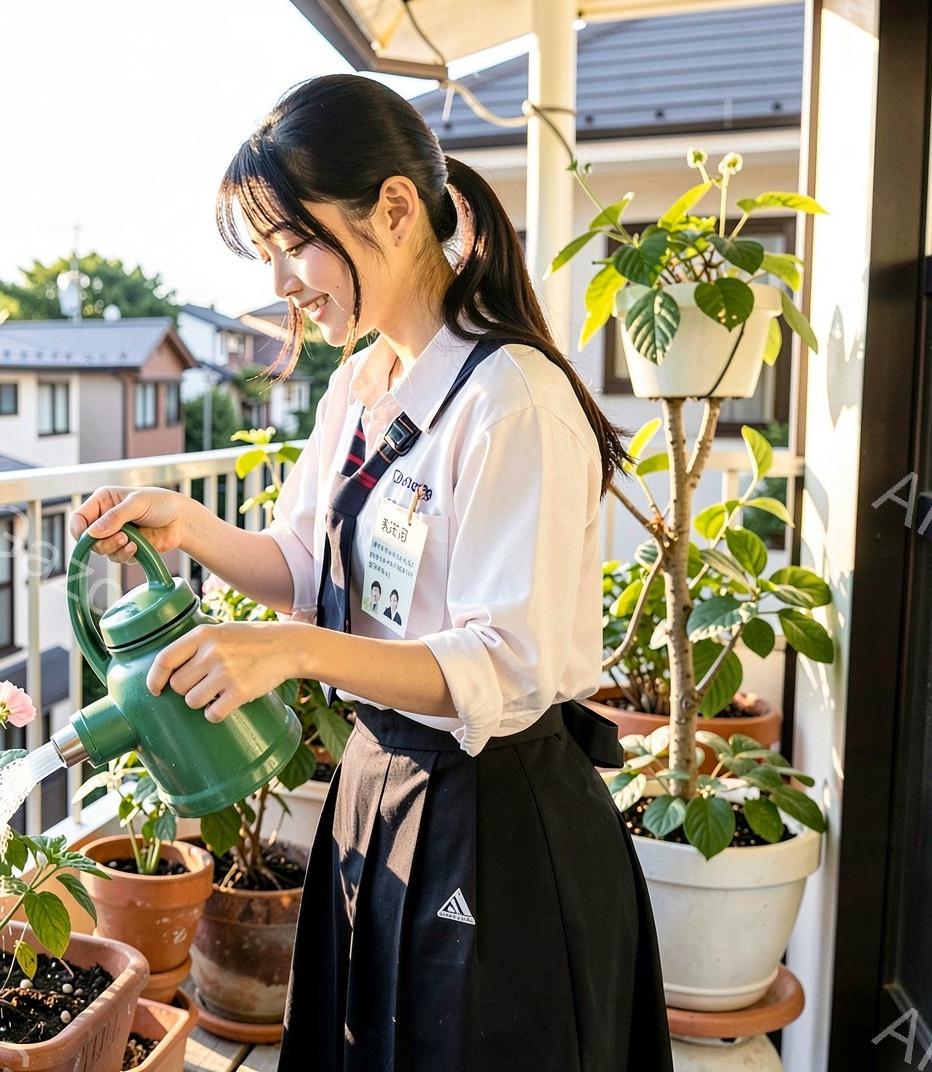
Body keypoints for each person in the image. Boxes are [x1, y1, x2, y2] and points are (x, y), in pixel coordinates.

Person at [67, 74, 671, 1071]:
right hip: (378, 780)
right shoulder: (362, 381)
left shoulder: (511, 399)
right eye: (267, 256)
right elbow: (308, 565)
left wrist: (293, 653)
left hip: (495, 812)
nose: (280, 282)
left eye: (292, 244)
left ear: (393, 207)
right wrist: (190, 527)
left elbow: (504, 665)